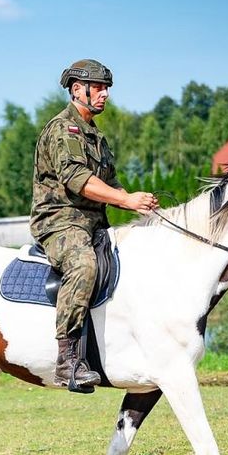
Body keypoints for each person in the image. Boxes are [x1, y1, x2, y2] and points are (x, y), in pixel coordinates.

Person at [30, 60, 159, 393]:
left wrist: (137, 202)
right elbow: (76, 180)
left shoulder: (96, 137)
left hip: (95, 222)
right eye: (99, 88)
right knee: (84, 265)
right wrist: (126, 201)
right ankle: (68, 361)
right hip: (60, 220)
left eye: (106, 89)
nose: (105, 95)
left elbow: (111, 183)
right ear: (78, 90)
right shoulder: (62, 129)